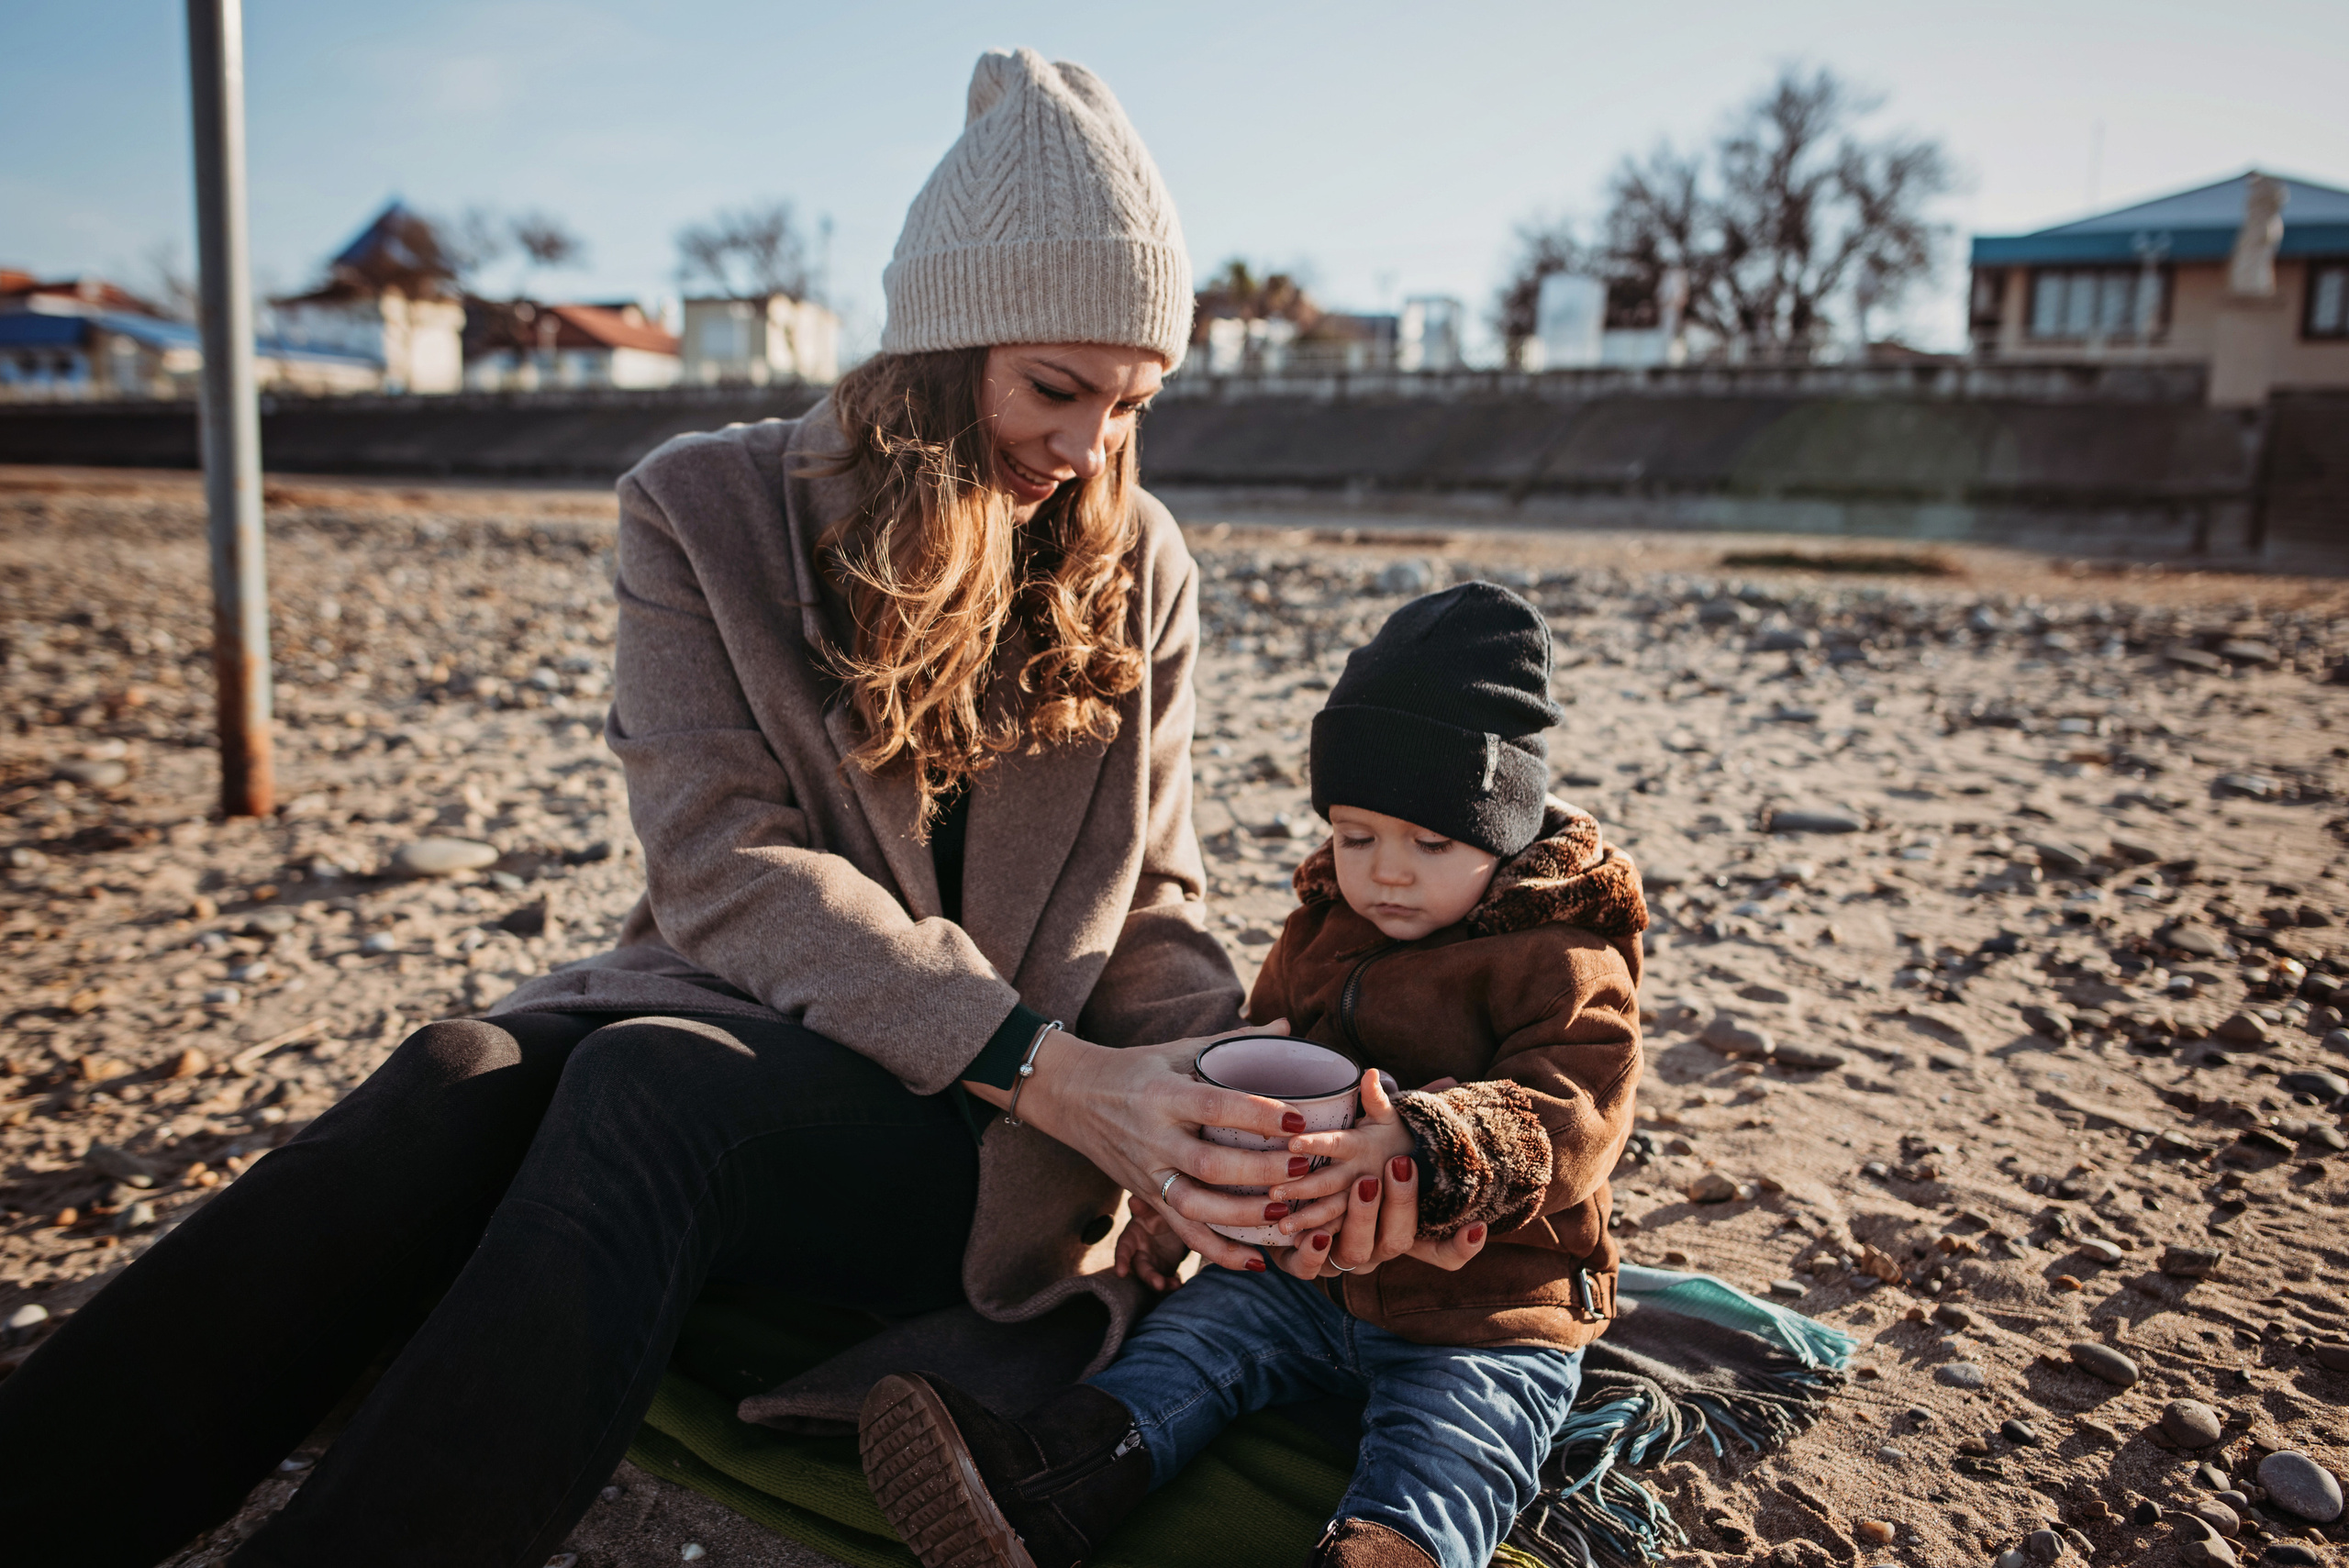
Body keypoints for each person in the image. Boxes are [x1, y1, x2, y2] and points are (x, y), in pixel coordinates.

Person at [0, 48, 1431, 1568]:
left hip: (969, 1147)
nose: (1089, 449)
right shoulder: (702, 508)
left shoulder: (1136, 557)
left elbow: (1153, 896)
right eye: (1055, 389)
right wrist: (1055, 1068)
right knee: (458, 1069)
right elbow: (724, 864)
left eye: (1131, 404)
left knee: (649, 1092)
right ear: (941, 353)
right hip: (808, 1024)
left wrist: (1194, 1097)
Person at [858, 584, 1649, 1568]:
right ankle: (1049, 1486)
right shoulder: (1322, 929)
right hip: (1302, 1279)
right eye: (1355, 836)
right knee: (1183, 1344)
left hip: (1484, 1305)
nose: (1386, 871)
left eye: (1431, 841)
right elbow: (1248, 1072)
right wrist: (1176, 1200)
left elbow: (1576, 1112)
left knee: (1454, 1447)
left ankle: (1390, 1550)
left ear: (1505, 827)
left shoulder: (1563, 953)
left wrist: (1430, 1142)